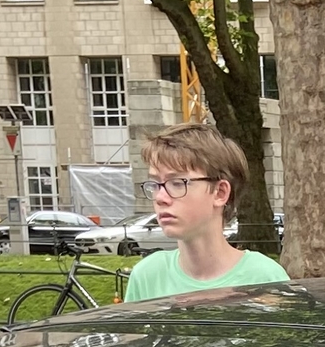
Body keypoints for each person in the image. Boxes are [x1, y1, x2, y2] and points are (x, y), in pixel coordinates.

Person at [119, 125, 290, 301]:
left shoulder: (265, 279)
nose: (161, 197)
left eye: (177, 183)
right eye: (155, 184)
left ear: (220, 193)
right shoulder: (147, 276)